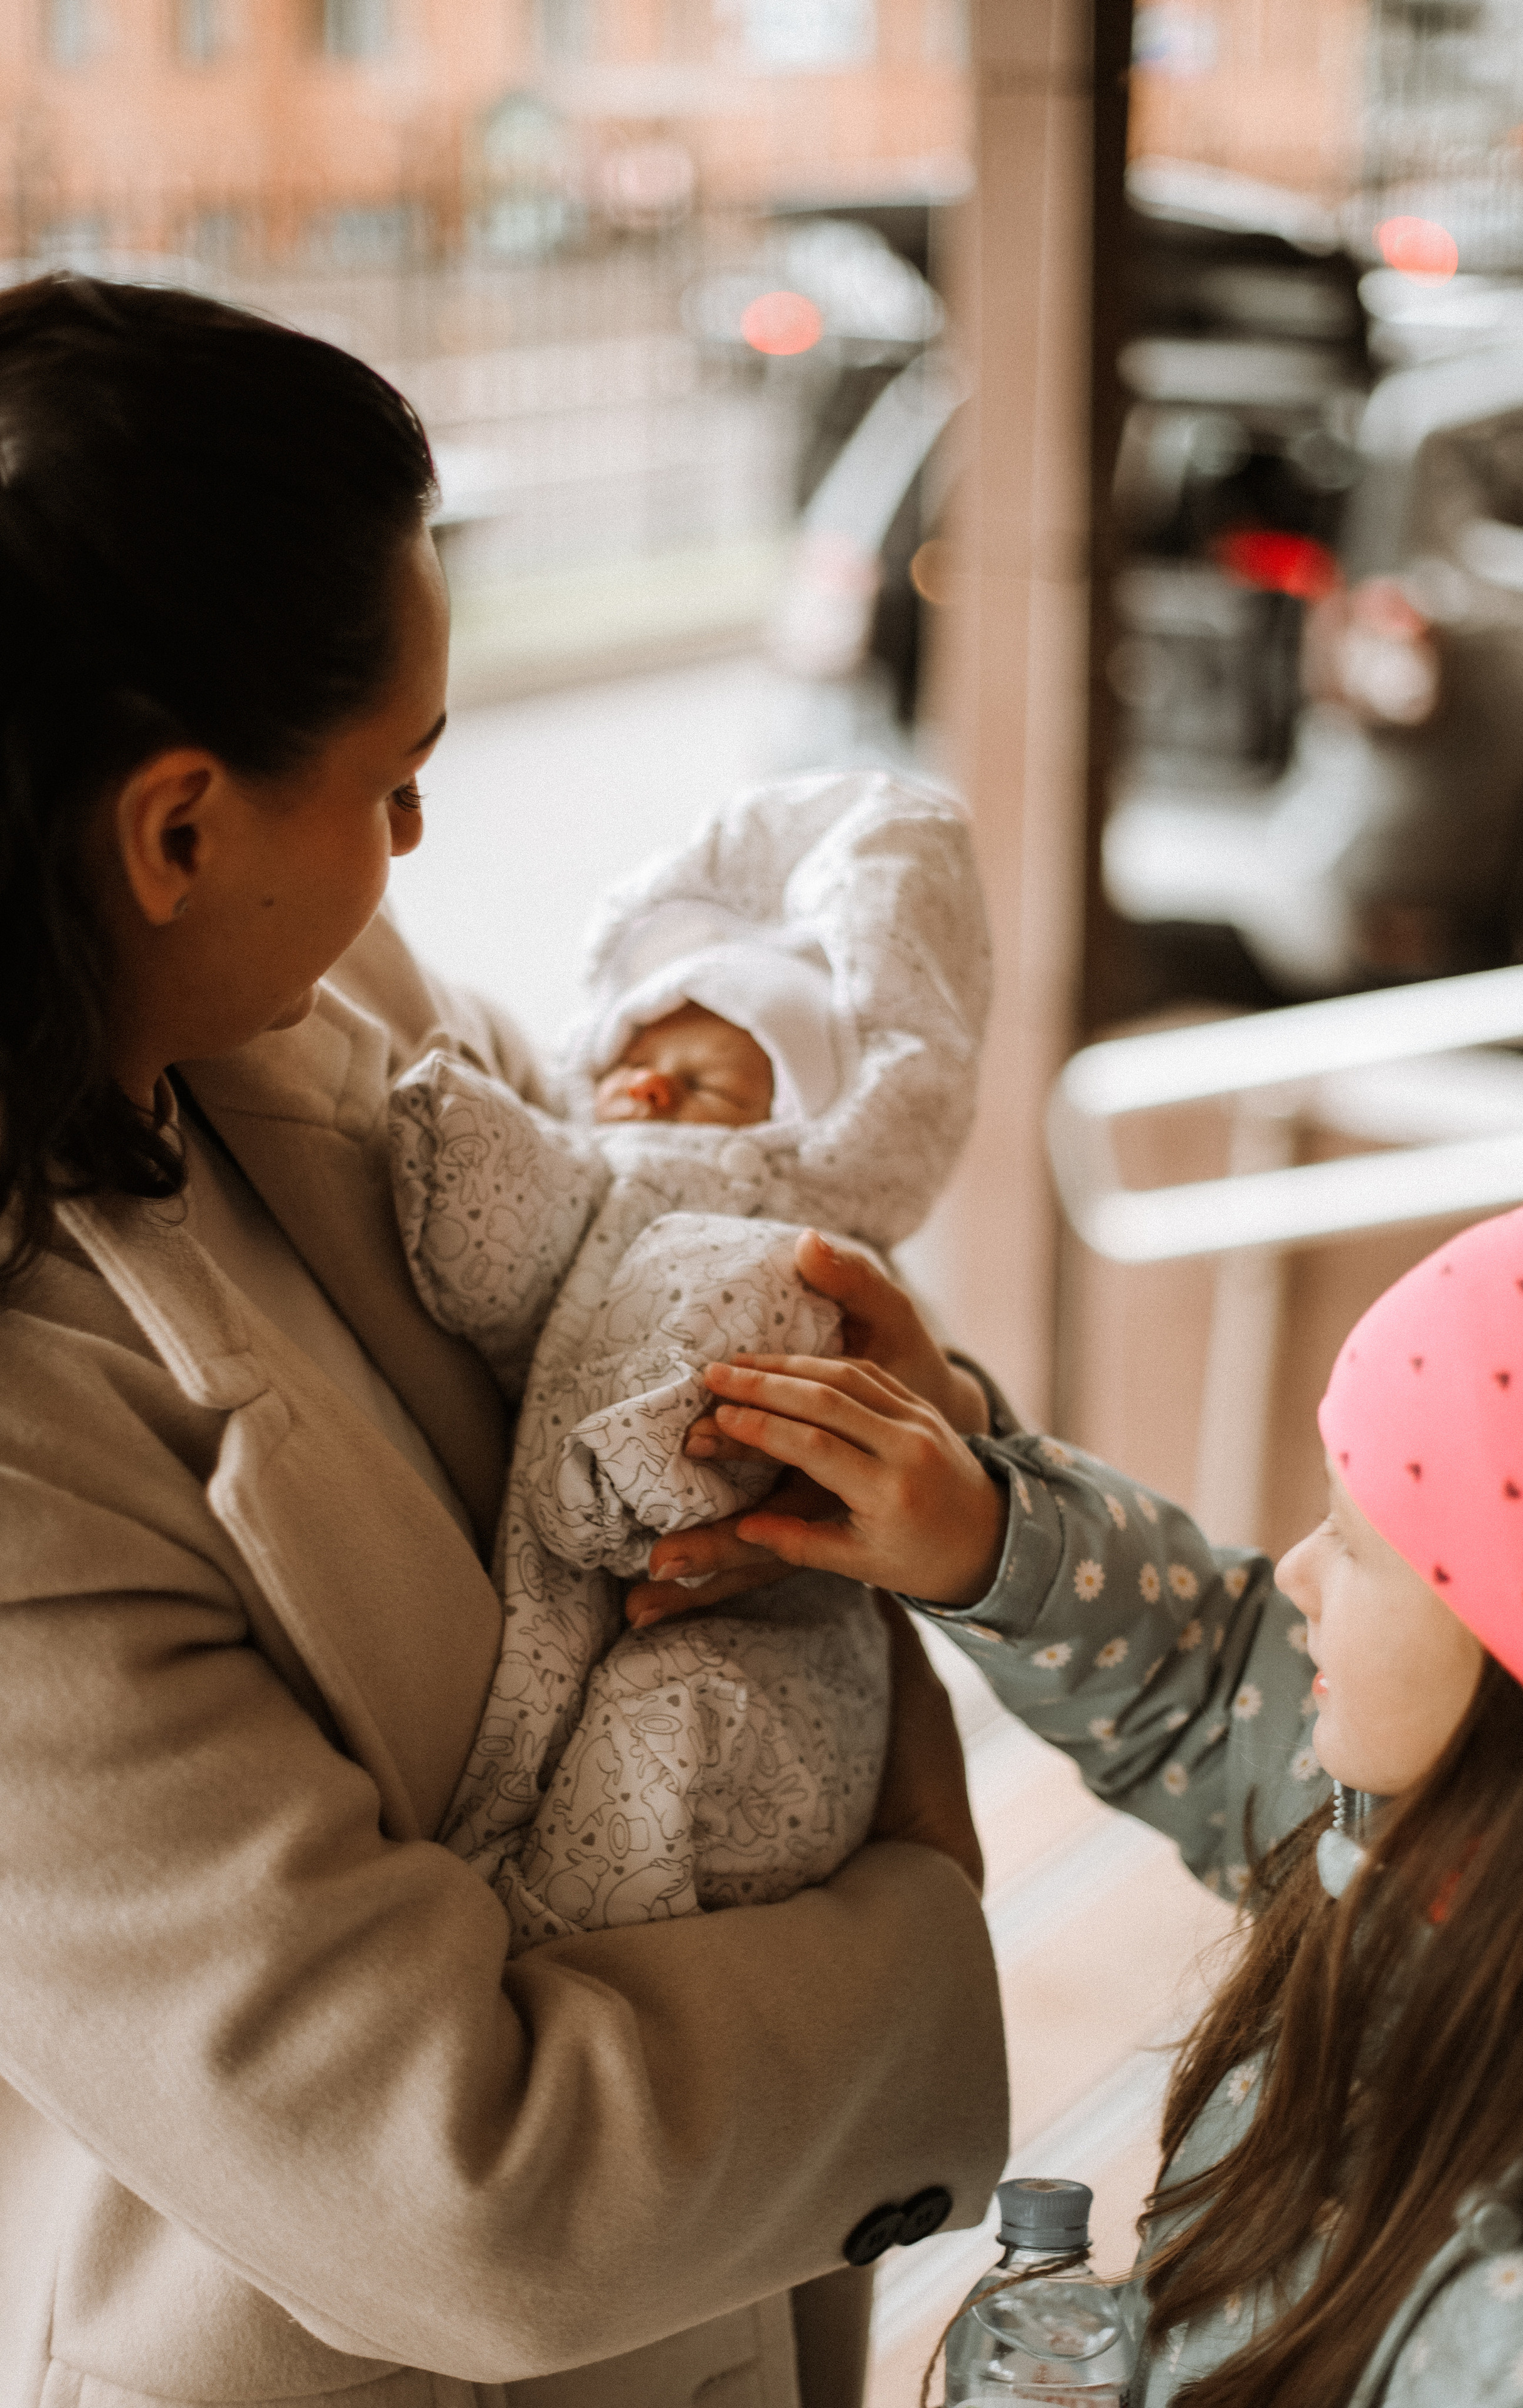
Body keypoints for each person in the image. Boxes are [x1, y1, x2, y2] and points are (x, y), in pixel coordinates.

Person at [0, 274, 1008, 2408]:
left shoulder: (311, 1003)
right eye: (395, 782)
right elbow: (457, 2191)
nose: (414, 852)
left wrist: (859, 1406)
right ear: (175, 829)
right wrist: (917, 1883)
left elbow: (648, 1253)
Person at [642, 1180, 1523, 2404]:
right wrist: (983, 1520)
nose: (1296, 1571)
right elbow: (1210, 1676)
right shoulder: (1419, 1809)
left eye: (1360, 1549)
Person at [382, 773, 989, 1948]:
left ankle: (562, 1932)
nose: (649, 1085)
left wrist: (651, 1462)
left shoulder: (796, 1247)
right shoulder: (588, 1174)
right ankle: (542, 1914)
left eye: (706, 1081)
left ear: (792, 1129)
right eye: (635, 1059)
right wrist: (467, 1157)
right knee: (566, 1721)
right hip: (591, 1566)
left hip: (767, 1640)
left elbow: (747, 1345)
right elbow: (503, 1277)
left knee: (665, 1721)